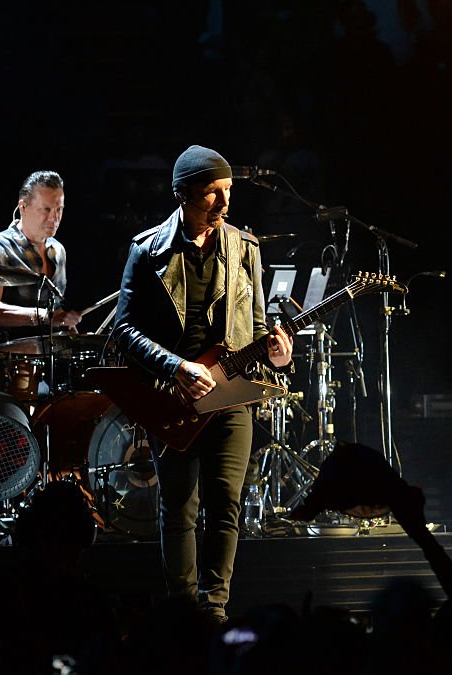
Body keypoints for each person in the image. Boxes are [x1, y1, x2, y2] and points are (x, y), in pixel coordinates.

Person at [113, 145, 293, 622]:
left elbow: (256, 330)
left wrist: (277, 355)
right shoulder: (147, 249)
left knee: (226, 504)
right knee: (179, 507)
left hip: (231, 395)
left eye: (228, 191)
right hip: (173, 395)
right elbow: (123, 329)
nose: (224, 202)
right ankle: (182, 612)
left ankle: (214, 609)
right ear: (183, 193)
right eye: (213, 192)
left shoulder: (245, 247)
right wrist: (175, 367)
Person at [0, 170, 82, 332]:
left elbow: (57, 312)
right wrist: (44, 317)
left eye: (59, 209)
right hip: (6, 354)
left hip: (45, 354)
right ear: (23, 206)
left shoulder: (58, 250)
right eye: (46, 209)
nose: (54, 218)